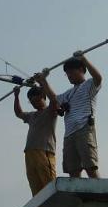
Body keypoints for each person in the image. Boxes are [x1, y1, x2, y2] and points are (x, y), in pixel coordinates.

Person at [40, 51, 103, 179]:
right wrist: (43, 80)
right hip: (69, 134)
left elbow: (98, 78)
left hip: (84, 129)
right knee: (73, 171)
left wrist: (84, 59)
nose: (69, 75)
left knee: (90, 167)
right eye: (67, 73)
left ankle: (102, 191)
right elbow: (54, 99)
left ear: (81, 70)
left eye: (71, 72)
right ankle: (78, 193)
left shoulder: (89, 85)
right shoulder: (68, 93)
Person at [13, 75, 58, 196]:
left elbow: (54, 100)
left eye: (37, 100)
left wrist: (43, 83)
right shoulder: (31, 115)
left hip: (44, 151)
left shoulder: (50, 111)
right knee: (35, 185)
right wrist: (16, 96)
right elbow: (18, 113)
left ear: (43, 97)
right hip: (30, 153)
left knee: (49, 182)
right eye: (32, 102)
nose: (34, 104)